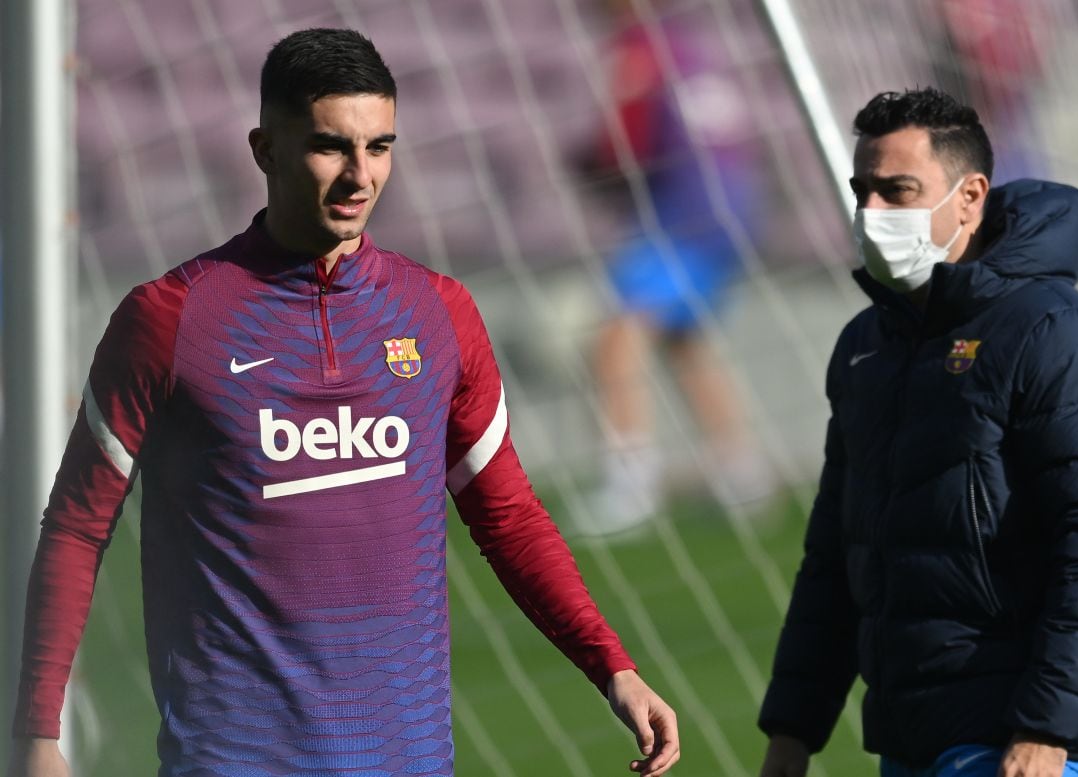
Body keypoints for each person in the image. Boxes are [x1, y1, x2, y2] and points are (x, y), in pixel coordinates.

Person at [6, 28, 679, 777]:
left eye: (380, 146)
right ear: (264, 149)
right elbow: (75, 525)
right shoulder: (169, 318)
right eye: (332, 146)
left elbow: (507, 514)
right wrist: (38, 731)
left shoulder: (438, 312)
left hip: (409, 760)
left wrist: (612, 665)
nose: (361, 175)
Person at [757, 87, 1078, 777]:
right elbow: (836, 556)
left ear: (970, 197)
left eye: (898, 191)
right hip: (907, 737)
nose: (873, 214)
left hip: (1015, 742)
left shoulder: (1046, 329)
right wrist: (793, 731)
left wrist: (1047, 730)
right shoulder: (864, 347)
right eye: (862, 191)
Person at [585, 0, 774, 534]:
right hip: (733, 206)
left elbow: (624, 142)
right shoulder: (688, 45)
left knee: (617, 336)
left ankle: (630, 485)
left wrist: (590, 162)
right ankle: (742, 473)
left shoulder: (639, 51)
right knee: (685, 339)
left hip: (685, 212)